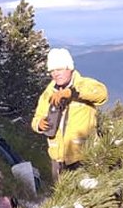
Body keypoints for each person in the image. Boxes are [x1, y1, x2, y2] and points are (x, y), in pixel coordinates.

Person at [31, 48, 108, 183]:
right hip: (58, 159)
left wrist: (72, 93)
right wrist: (39, 124)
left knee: (85, 199)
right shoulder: (48, 93)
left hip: (83, 156)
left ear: (69, 68)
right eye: (52, 71)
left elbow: (101, 94)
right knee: (63, 200)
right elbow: (36, 118)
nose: (56, 74)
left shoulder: (83, 84)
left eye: (59, 69)